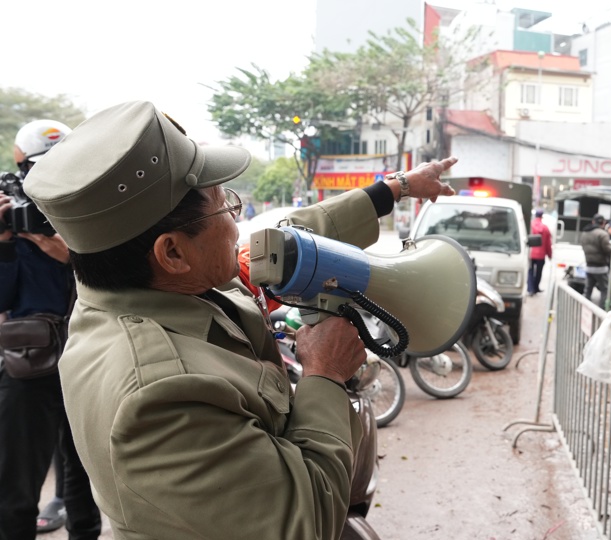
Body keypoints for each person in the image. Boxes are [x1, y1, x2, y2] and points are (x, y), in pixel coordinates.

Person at [24, 100, 456, 540]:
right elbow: (304, 523)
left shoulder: (153, 284)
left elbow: (287, 237)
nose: (238, 220)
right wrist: (324, 375)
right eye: (226, 206)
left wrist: (396, 188)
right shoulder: (158, 395)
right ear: (173, 252)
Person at [0, 120, 102, 540]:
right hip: (28, 364)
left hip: (86, 356)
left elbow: (111, 289)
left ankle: (85, 532)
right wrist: (5, 243)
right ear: (21, 166)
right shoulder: (10, 218)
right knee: (16, 480)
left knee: (83, 472)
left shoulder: (88, 214)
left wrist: (74, 257)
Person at [579, 213, 611, 308]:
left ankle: (584, 309)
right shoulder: (602, 234)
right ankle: (602, 312)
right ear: (603, 223)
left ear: (593, 222)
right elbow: (608, 250)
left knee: (588, 290)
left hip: (589, 267)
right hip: (601, 268)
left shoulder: (585, 233)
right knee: (604, 290)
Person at [527, 209, 552, 295]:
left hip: (530, 253)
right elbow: (548, 243)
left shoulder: (530, 226)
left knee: (530, 271)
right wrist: (549, 254)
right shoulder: (545, 228)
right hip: (541, 255)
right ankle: (536, 287)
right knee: (538, 272)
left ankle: (530, 289)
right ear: (542, 216)